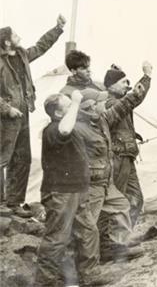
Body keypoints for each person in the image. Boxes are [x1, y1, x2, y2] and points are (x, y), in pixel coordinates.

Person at [64, 50, 148, 269]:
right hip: (95, 176)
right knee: (91, 218)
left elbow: (114, 113)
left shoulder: (100, 118)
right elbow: (117, 109)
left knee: (123, 203)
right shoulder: (84, 123)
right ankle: (87, 256)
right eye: (123, 82)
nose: (102, 104)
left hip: (107, 172)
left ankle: (115, 244)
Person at [35, 89, 114, 287]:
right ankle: (46, 282)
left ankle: (90, 275)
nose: (74, 109)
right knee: (57, 238)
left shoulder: (69, 126)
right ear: (59, 114)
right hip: (61, 192)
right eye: (68, 107)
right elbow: (64, 130)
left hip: (78, 189)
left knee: (88, 231)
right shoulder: (53, 130)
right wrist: (77, 102)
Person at [0, 15, 66, 217]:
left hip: (22, 116)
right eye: (16, 35)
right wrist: (7, 109)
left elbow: (41, 46)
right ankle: (1, 205)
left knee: (22, 159)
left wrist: (58, 28)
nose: (20, 37)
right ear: (7, 41)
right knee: (2, 160)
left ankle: (14, 203)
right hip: (5, 119)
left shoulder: (21, 55)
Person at [102, 64, 149, 227]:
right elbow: (128, 102)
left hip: (127, 158)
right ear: (111, 86)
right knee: (118, 201)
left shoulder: (123, 103)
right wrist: (145, 78)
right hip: (118, 158)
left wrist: (147, 78)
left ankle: (125, 235)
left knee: (136, 199)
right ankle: (112, 238)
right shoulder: (109, 104)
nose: (127, 86)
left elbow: (136, 97)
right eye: (123, 82)